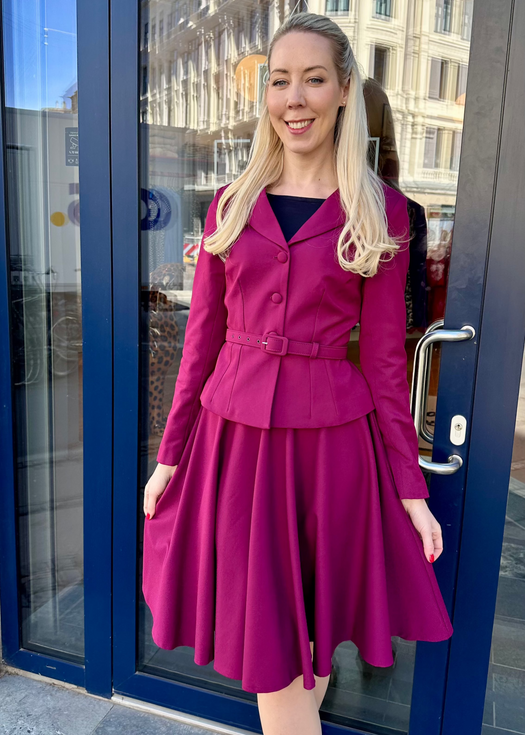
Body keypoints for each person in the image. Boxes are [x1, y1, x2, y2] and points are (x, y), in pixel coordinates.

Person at [142, 12, 453, 735]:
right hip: (234, 449)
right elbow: (200, 345)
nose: (294, 98)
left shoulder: (380, 211)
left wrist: (410, 491)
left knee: (308, 637)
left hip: (330, 453)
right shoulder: (232, 203)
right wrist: (169, 457)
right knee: (277, 651)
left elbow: (385, 364)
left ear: (343, 90)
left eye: (313, 79)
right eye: (280, 81)